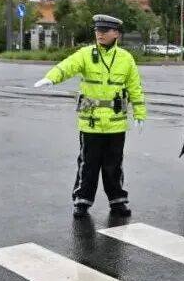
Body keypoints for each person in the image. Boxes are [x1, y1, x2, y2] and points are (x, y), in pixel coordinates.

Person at [34, 14, 147, 218]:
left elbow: (135, 87)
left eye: (105, 31)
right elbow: (67, 66)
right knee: (88, 164)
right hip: (91, 123)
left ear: (116, 34)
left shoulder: (125, 58)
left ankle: (117, 201)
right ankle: (82, 201)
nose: (100, 34)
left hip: (115, 124)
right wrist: (51, 78)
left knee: (114, 165)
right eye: (97, 30)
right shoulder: (86, 54)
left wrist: (140, 113)